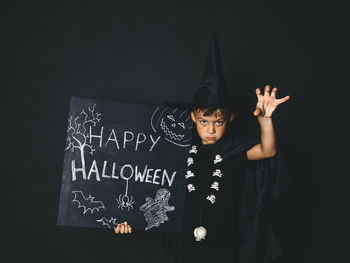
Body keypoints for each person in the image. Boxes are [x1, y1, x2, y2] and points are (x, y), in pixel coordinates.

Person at [114, 33, 290, 263]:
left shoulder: (234, 151)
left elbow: (268, 151)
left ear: (230, 119)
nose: (211, 130)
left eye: (219, 122)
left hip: (225, 248)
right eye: (204, 122)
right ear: (193, 118)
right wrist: (124, 218)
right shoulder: (176, 151)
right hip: (186, 247)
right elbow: (144, 181)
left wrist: (265, 120)